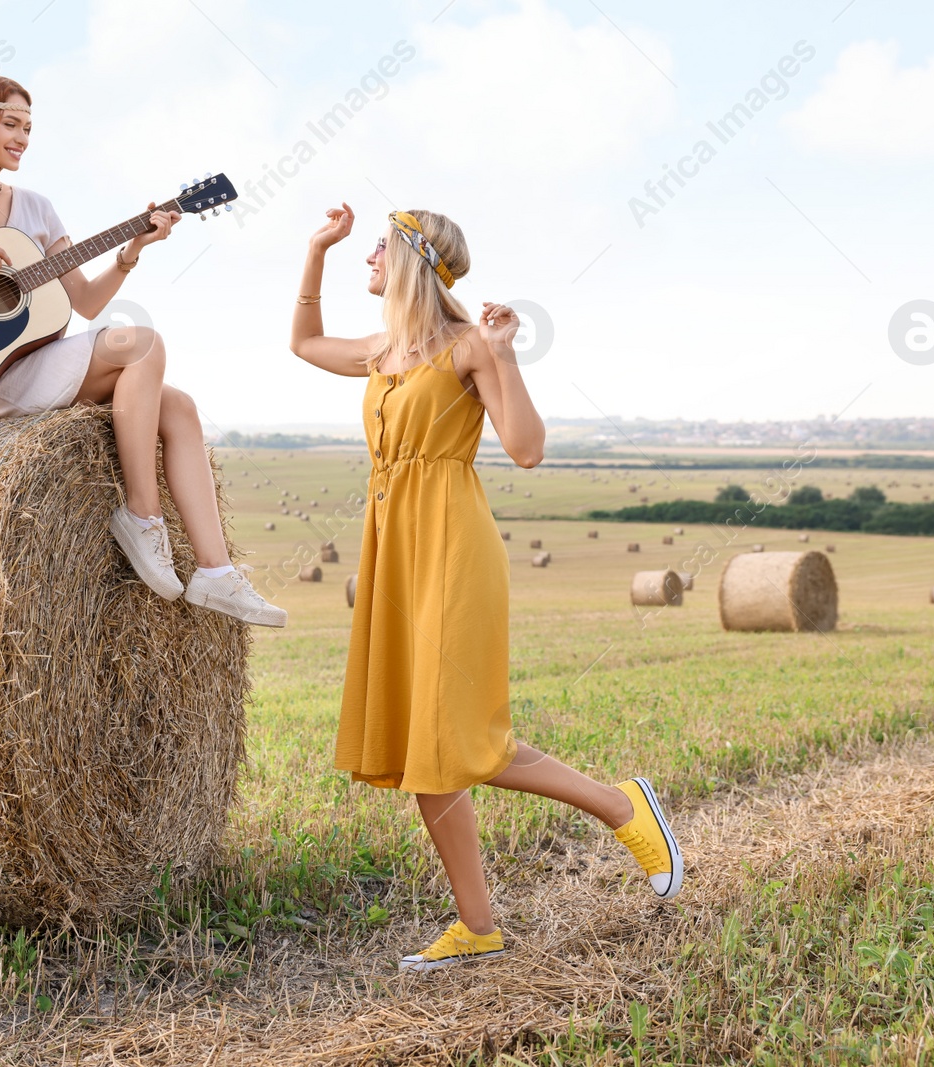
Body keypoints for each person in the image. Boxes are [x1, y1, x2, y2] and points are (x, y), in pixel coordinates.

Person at [289, 202, 683, 972]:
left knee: (458, 734)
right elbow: (302, 341)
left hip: (452, 546)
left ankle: (620, 806)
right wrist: (316, 249)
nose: (365, 256)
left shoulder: (468, 346)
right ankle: (478, 925)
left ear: (411, 258)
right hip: (393, 545)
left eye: (375, 247)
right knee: (419, 743)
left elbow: (528, 450)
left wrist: (504, 356)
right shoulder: (380, 350)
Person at [0, 73, 285, 627]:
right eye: (12, 124)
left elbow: (87, 303)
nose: (24, 137)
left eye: (29, 128)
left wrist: (131, 252)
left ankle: (216, 574)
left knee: (182, 408)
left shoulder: (38, 210)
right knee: (143, 344)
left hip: (38, 367)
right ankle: (142, 515)